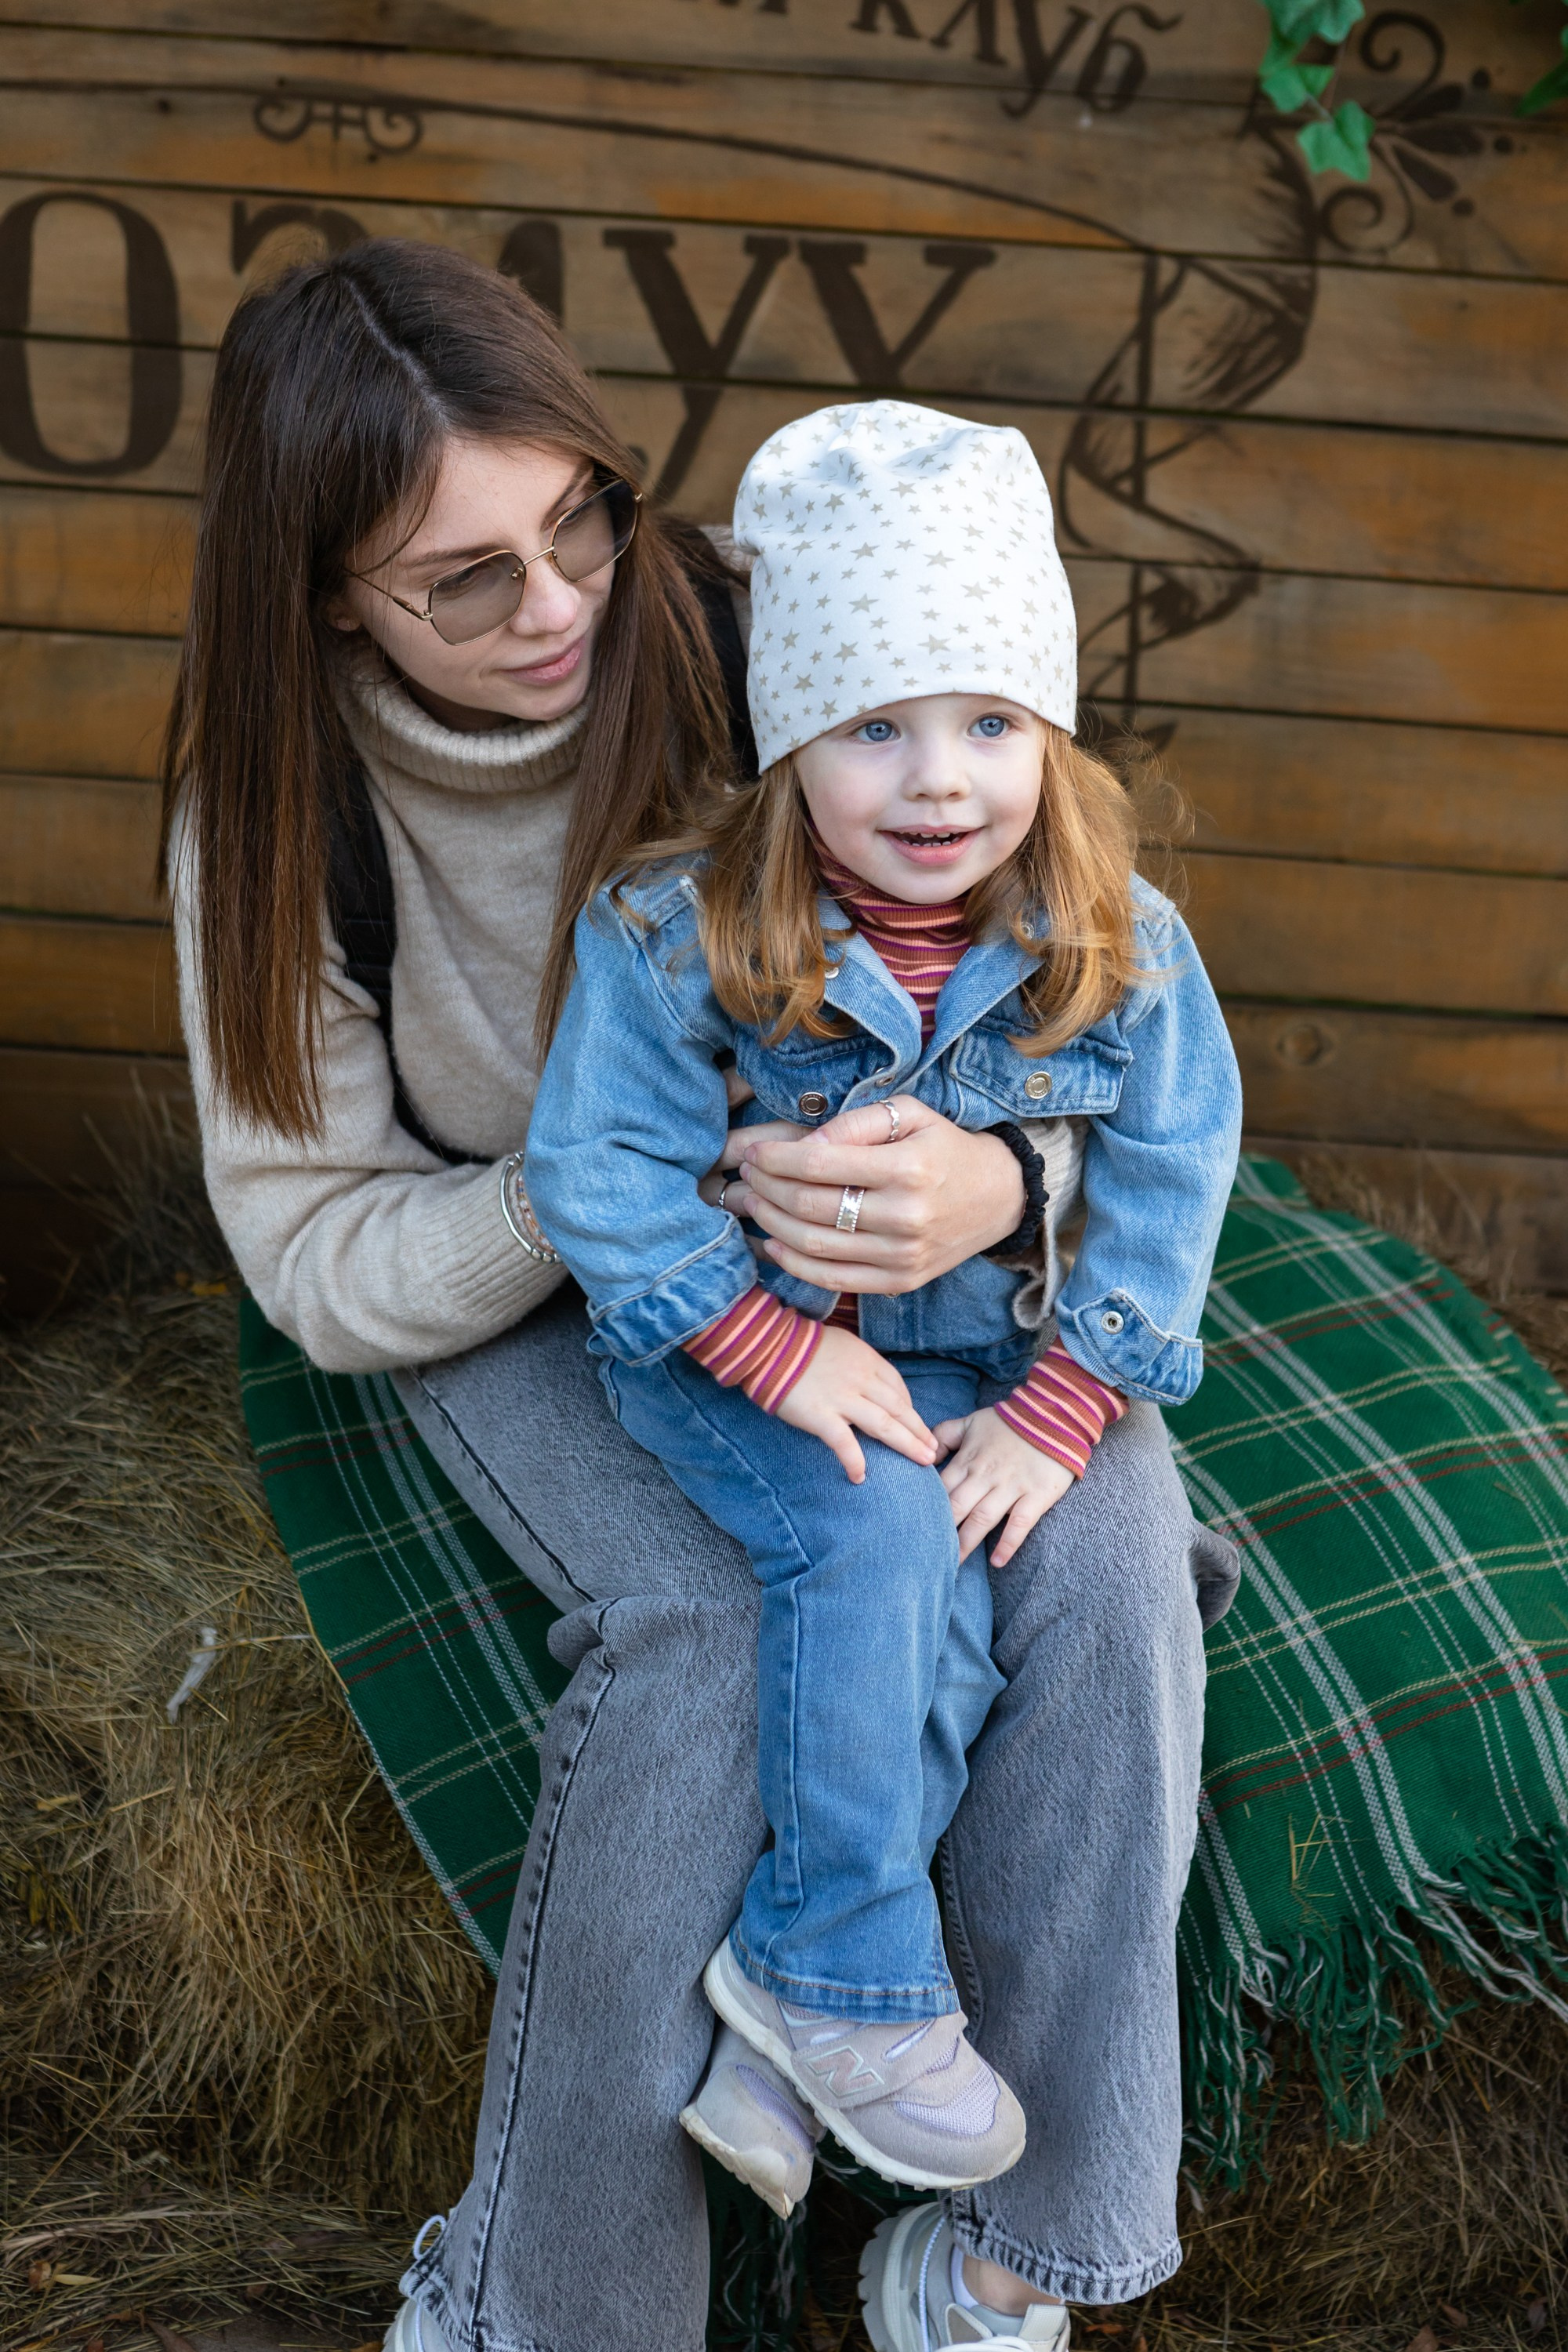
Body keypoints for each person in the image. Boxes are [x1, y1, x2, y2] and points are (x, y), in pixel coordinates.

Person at [162, 238, 1240, 2352]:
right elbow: (315, 1246)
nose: (557, 605)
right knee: (711, 1627)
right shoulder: (279, 826)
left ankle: (1032, 2249)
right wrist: (625, 1198)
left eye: (579, 520)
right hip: (545, 1291)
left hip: (930, 1272)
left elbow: (1095, 1010)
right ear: (324, 596)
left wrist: (1005, 1183)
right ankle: (552, 2310)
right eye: (463, 580)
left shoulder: (801, 645)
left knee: (1104, 1556)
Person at [523, 398, 1242, 2259]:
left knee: (949, 1609)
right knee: (861, 1532)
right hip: (749, 1346)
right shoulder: (679, 933)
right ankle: (849, 1975)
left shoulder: (1123, 943)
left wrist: (1071, 1398)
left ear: (1051, 734)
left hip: (1000, 1359)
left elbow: (1168, 1177)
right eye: (874, 728)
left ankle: (778, 2017)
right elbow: (595, 1169)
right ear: (790, 750)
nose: (940, 782)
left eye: (990, 720)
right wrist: (766, 1347)